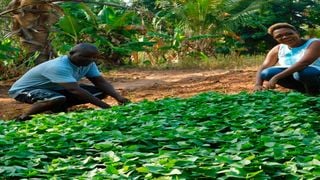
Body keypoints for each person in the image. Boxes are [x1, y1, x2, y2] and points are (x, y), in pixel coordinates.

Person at [8, 43, 130, 120]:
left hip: (56, 89)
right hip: (24, 91)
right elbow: (74, 89)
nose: (91, 60)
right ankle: (24, 117)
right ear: (71, 53)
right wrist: (106, 107)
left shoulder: (89, 64)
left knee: (101, 92)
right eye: (86, 56)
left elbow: (100, 82)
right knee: (55, 98)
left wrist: (119, 98)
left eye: (94, 57)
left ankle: (59, 108)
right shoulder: (59, 66)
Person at [254, 22, 320, 95]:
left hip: (314, 73)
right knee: (266, 73)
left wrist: (276, 77)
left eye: (289, 33)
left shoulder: (314, 43)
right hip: (297, 76)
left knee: (304, 73)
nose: (285, 37)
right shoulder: (278, 48)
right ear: (275, 39)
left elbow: (304, 63)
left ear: (297, 33)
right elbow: (264, 66)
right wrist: (258, 84)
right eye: (279, 36)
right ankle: (301, 90)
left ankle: (314, 93)